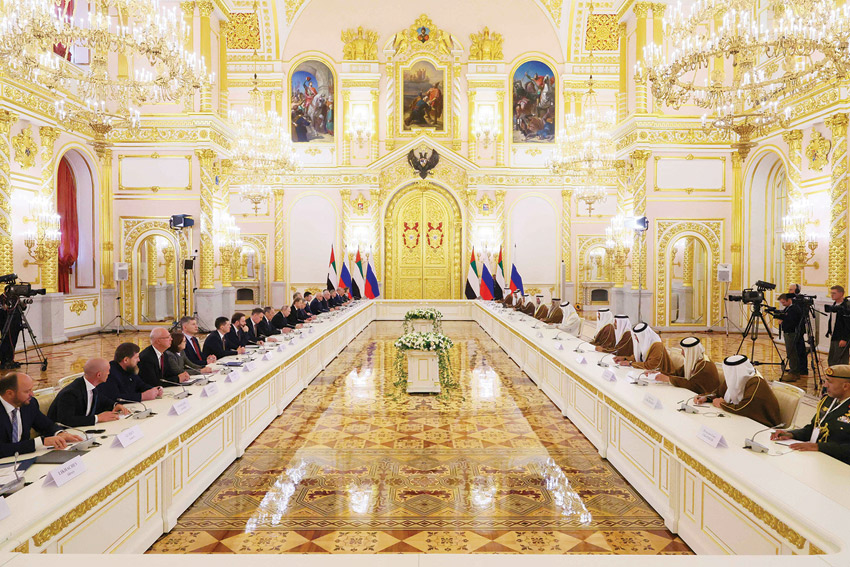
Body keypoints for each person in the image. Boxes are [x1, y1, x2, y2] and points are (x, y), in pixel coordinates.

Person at [771, 364, 850, 464]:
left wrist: (818, 447)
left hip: (840, 465)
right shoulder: (828, 400)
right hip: (819, 459)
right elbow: (814, 428)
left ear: (845, 386)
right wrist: (792, 434)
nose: (825, 385)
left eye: (829, 382)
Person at [0, 372, 81, 457]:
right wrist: (40, 442)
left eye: (31, 390)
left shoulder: (29, 404)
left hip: (22, 458)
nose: (32, 394)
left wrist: (59, 433)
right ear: (9, 393)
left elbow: (46, 425)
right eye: (27, 391)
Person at [696, 355, 781, 427]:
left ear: (736, 371)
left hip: (761, 425)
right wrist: (706, 397)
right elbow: (719, 393)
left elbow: (744, 408)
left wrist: (722, 404)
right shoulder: (734, 379)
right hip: (740, 420)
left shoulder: (757, 383)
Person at [48, 358, 129, 427]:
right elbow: (66, 420)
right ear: (99, 375)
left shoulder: (91, 385)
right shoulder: (70, 393)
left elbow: (102, 400)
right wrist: (97, 418)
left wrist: (115, 405)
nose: (109, 373)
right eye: (108, 371)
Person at [97, 342, 161, 404]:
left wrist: (154, 390)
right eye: (136, 357)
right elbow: (114, 398)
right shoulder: (109, 373)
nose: (139, 360)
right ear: (126, 360)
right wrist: (142, 396)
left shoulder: (129, 369)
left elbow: (140, 385)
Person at [655, 337, 720, 395]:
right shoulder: (695, 360)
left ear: (690, 351)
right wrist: (660, 371)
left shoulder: (705, 366)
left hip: (707, 398)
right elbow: (678, 373)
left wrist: (669, 379)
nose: (681, 353)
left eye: (683, 350)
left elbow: (692, 385)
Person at [615, 323, 680, 374]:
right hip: (649, 373)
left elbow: (651, 366)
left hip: (663, 375)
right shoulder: (643, 343)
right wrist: (624, 358)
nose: (636, 338)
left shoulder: (657, 345)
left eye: (637, 336)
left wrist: (630, 363)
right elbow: (638, 358)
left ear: (643, 335)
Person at [771, 293, 804, 382]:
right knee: (791, 353)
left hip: (791, 333)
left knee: (792, 353)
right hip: (788, 332)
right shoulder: (789, 308)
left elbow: (791, 320)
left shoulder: (794, 309)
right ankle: (793, 371)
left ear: (789, 300)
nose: (783, 304)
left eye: (784, 302)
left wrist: (783, 319)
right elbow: (785, 315)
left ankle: (794, 373)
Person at [826, 285, 849, 366]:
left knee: (840, 360)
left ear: (841, 293)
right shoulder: (835, 304)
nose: (832, 295)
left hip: (841, 338)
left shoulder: (846, 306)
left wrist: (844, 339)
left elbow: (848, 325)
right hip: (834, 335)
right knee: (832, 358)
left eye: (834, 293)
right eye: (831, 293)